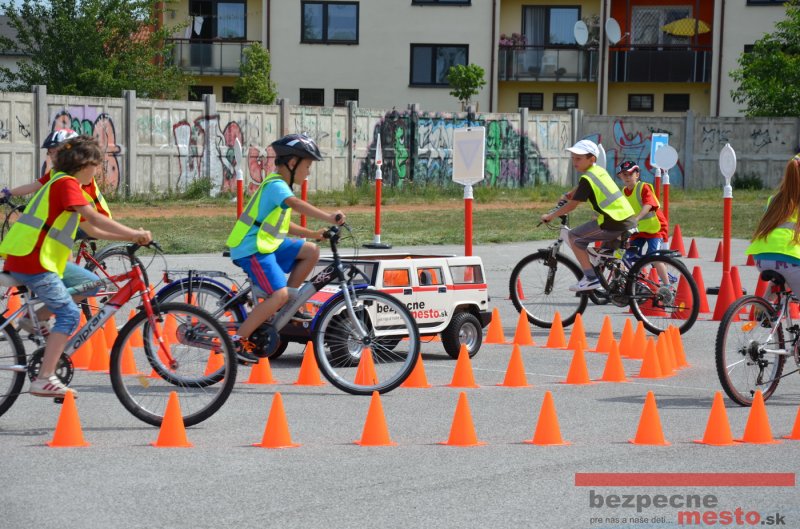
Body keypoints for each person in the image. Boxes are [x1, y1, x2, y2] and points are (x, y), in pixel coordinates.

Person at [0, 136, 152, 398]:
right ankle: (44, 379)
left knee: (92, 284)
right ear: (84, 164)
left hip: (41, 260)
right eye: (97, 164)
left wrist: (130, 237)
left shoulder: (65, 184)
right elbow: (93, 217)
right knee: (70, 315)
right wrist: (133, 233)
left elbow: (92, 229)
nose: (98, 170)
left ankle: (36, 318)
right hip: (34, 261)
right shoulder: (66, 184)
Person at [226, 133, 345, 357]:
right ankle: (238, 342)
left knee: (311, 251)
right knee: (279, 294)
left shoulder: (280, 187)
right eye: (307, 166)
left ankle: (286, 308)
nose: (308, 172)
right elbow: (296, 204)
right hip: (252, 248)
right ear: (292, 163)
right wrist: (329, 217)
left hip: (267, 244)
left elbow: (282, 225)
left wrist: (313, 234)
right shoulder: (276, 186)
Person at [1, 128, 114, 334]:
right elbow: (34, 186)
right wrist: (7, 192)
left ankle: (62, 288)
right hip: (75, 218)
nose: (51, 155)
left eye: (55, 150)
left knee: (60, 241)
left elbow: (87, 215)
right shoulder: (57, 174)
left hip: (94, 219)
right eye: (50, 152)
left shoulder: (78, 176)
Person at [540, 139, 636, 291]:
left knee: (574, 237)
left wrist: (551, 216)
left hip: (613, 221)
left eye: (579, 158)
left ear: (592, 159)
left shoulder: (588, 178)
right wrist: (568, 194)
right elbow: (579, 189)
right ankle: (616, 286)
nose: (575, 162)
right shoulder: (598, 171)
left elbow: (572, 205)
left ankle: (591, 279)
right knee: (604, 256)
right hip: (626, 218)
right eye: (573, 158)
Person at [745, 153, 800, 295]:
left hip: (761, 258)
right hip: (790, 259)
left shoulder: (773, 200)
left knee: (785, 279)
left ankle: (764, 305)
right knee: (791, 272)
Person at [617, 160, 669, 266]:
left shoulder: (643, 187)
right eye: (624, 174)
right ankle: (636, 274)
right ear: (620, 176)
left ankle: (664, 277)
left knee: (653, 258)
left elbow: (649, 204)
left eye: (630, 174)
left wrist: (637, 218)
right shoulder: (623, 192)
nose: (627, 177)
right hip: (639, 230)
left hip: (655, 228)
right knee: (629, 256)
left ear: (637, 175)